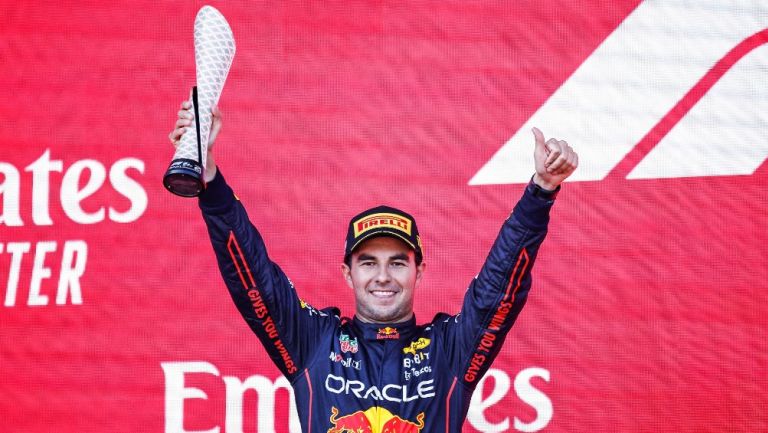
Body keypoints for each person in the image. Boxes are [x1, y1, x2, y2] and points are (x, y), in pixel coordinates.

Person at [169, 100, 577, 432]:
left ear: (419, 272)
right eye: (368, 263)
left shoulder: (449, 351)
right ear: (348, 274)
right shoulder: (315, 342)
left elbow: (498, 290)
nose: (383, 276)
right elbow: (254, 279)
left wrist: (540, 192)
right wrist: (210, 180)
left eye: (398, 262)